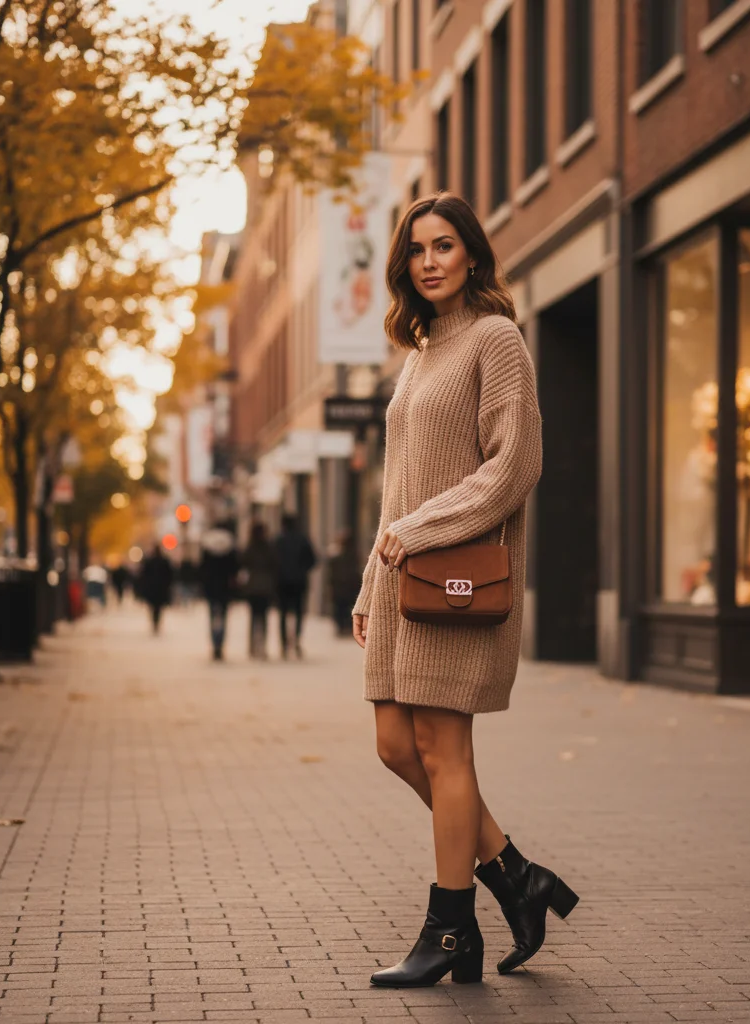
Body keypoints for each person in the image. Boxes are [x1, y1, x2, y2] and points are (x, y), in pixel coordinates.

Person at [351, 192, 577, 989]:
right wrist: (368, 583)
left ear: (472, 255)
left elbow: (513, 467)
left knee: (446, 752)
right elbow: (397, 482)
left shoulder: (496, 339)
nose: (431, 260)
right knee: (393, 746)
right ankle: (517, 876)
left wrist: (417, 532)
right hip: (400, 582)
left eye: (445, 245)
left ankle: (450, 932)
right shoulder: (417, 353)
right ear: (403, 264)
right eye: (418, 249)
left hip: (454, 582)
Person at [274, 514, 317, 659]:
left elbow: (272, 561)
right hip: (299, 581)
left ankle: (284, 644)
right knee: (298, 613)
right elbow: (313, 560)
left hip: (282, 582)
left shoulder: (278, 540)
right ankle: (297, 640)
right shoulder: (302, 539)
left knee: (283, 613)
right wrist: (302, 569)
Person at [200, 523, 239, 661]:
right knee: (223, 617)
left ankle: (215, 643)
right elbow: (235, 568)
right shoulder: (229, 546)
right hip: (225, 588)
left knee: (213, 616)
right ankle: (220, 644)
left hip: (211, 587)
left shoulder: (207, 547)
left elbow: (202, 568)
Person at [241, 521, 278, 659]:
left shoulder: (250, 547)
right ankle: (262, 646)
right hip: (265, 587)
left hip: (253, 587)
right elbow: (275, 565)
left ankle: (252, 646)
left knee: (253, 617)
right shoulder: (269, 548)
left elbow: (242, 562)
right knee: (263, 617)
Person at [327, 530, 360, 638]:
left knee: (340, 608)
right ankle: (345, 626)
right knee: (345, 607)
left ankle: (342, 627)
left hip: (341, 588)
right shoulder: (352, 556)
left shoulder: (338, 555)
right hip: (348, 587)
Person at [138, 544, 173, 635]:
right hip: (161, 589)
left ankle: (154, 622)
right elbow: (170, 576)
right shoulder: (164, 561)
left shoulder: (149, 561)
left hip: (152, 589)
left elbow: (143, 575)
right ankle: (156, 622)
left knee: (153, 607)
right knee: (158, 608)